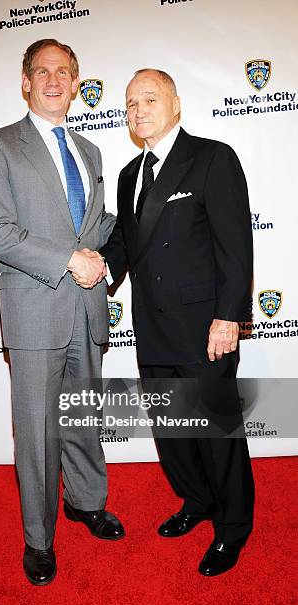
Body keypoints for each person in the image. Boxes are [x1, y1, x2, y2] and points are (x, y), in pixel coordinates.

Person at [0, 39, 124, 587]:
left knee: (84, 417)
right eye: (43, 71)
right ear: (25, 81)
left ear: (77, 82)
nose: (54, 80)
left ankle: (86, 502)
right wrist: (67, 258)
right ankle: (39, 539)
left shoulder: (91, 151)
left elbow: (96, 228)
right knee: (37, 433)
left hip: (87, 309)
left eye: (65, 72)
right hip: (35, 309)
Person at [99, 68, 255, 576]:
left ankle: (233, 528)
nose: (138, 110)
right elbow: (126, 241)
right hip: (153, 329)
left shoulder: (212, 157)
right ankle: (196, 501)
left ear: (176, 104)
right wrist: (101, 268)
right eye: (129, 103)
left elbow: (236, 247)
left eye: (149, 98)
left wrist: (228, 318)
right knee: (171, 431)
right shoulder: (127, 176)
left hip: (205, 329)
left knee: (215, 432)